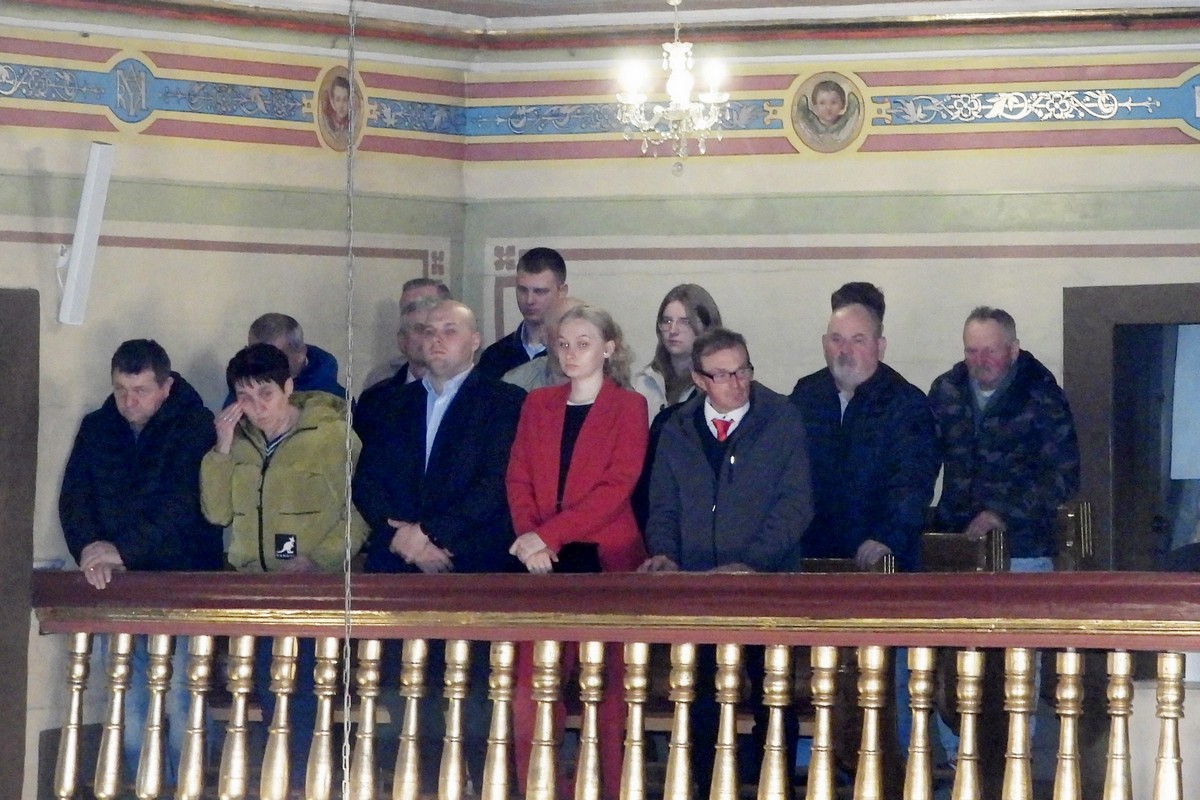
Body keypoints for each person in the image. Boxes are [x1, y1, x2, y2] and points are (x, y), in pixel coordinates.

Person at [352, 299, 526, 790]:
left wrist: (432, 534)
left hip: (469, 567)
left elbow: (497, 484)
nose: (436, 338)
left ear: (474, 341)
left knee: (476, 700)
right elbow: (368, 482)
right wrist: (401, 538)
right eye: (428, 330)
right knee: (408, 699)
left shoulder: (505, 402)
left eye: (450, 330)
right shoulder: (390, 403)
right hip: (399, 571)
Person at [639, 327, 813, 793]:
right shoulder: (677, 428)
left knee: (772, 694)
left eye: (743, 371)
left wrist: (750, 564)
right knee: (699, 694)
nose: (737, 383)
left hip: (767, 585)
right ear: (699, 380)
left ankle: (773, 787)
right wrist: (664, 554)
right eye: (723, 375)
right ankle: (702, 785)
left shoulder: (781, 419)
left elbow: (795, 505)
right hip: (698, 588)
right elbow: (663, 505)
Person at [201, 342, 368, 792]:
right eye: (245, 397)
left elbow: (360, 511)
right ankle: (275, 784)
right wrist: (221, 449)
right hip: (254, 590)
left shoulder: (331, 436)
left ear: (289, 388)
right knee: (263, 690)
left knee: (307, 693)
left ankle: (308, 785)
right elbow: (216, 513)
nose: (257, 408)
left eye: (266, 395)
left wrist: (321, 560)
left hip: (313, 587)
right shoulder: (238, 443)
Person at [59, 338, 223, 787]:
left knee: (183, 701)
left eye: (140, 391)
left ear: (166, 387)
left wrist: (122, 550)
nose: (129, 401)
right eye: (120, 390)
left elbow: (184, 505)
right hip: (117, 586)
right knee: (127, 702)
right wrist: (89, 549)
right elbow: (75, 498)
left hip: (183, 584)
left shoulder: (194, 425)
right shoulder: (98, 427)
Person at [506, 305, 648, 799]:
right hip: (541, 563)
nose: (570, 353)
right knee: (530, 691)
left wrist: (549, 536)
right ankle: (542, 790)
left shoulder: (629, 407)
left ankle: (608, 790)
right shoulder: (537, 404)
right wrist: (531, 539)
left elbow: (616, 488)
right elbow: (518, 478)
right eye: (563, 344)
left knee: (606, 694)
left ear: (608, 348)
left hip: (604, 560)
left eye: (583, 343)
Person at [789, 282, 938, 572]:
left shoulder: (906, 404)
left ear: (879, 347)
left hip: (881, 561)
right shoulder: (805, 396)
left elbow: (913, 482)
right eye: (836, 340)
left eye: (858, 340)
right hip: (810, 559)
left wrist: (888, 536)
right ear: (824, 344)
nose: (845, 351)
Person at [929, 306, 1081, 566]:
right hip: (958, 544)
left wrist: (1003, 514)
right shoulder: (946, 391)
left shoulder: (1042, 396)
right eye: (971, 351)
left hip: (1023, 549)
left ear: (1013, 350)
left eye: (990, 351)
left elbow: (1063, 475)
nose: (980, 360)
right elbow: (921, 459)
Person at [354, 294, 441, 447]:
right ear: (402, 340)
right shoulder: (375, 400)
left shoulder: (470, 395)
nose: (430, 338)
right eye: (420, 329)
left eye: (434, 330)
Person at [632, 284, 723, 420]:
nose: (673, 330)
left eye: (685, 322)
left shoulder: (717, 385)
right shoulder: (642, 383)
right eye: (667, 321)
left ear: (706, 327)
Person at [476, 247, 568, 380]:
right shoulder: (494, 356)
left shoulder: (573, 355)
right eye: (522, 290)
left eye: (540, 291)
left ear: (562, 291)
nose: (529, 300)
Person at [223, 312, 345, 406]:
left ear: (300, 354)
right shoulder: (244, 384)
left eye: (273, 356)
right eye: (254, 354)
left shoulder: (333, 399)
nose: (261, 364)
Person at [361, 278, 452, 391]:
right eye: (408, 309)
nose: (417, 312)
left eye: (428, 303)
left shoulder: (470, 380)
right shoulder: (380, 381)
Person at [501, 295, 584, 392]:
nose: (574, 333)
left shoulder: (599, 383)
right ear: (544, 334)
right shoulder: (516, 384)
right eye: (564, 323)